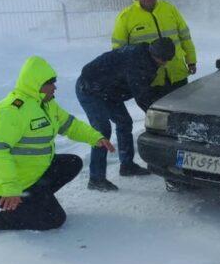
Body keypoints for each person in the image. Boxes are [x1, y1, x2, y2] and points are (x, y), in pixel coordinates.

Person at [0, 56, 114, 239]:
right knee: (54, 219)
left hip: (30, 177)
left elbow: (70, 125)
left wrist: (95, 137)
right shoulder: (12, 110)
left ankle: (34, 201)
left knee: (72, 162)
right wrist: (10, 188)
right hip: (3, 188)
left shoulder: (47, 104)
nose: (55, 87)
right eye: (50, 83)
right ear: (36, 84)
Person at [75, 38, 176, 191]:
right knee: (102, 131)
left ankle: (127, 165)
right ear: (154, 54)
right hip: (89, 89)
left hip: (109, 91)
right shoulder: (136, 63)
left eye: (168, 60)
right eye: (163, 59)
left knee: (124, 122)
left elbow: (144, 90)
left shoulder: (147, 57)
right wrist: (160, 121)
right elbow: (142, 97)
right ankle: (96, 179)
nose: (165, 63)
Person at [111, 0, 197, 109]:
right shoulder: (125, 17)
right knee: (159, 117)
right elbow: (119, 51)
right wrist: (126, 76)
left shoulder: (170, 9)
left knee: (183, 111)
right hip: (150, 79)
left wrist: (191, 60)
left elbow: (185, 37)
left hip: (177, 74)